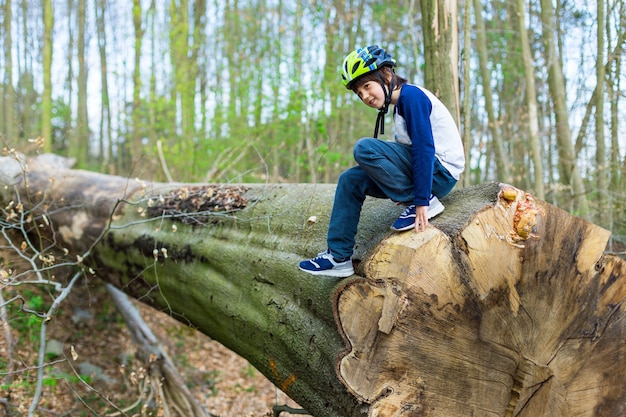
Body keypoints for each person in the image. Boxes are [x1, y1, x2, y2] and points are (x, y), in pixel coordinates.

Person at [299, 45, 465, 278]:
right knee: (350, 179)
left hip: (440, 172)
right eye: (359, 93)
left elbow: (423, 149)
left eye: (367, 86)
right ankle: (338, 257)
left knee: (364, 148)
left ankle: (425, 198)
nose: (365, 96)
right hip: (428, 175)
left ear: (386, 75)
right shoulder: (399, 109)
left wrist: (419, 200)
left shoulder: (412, 97)